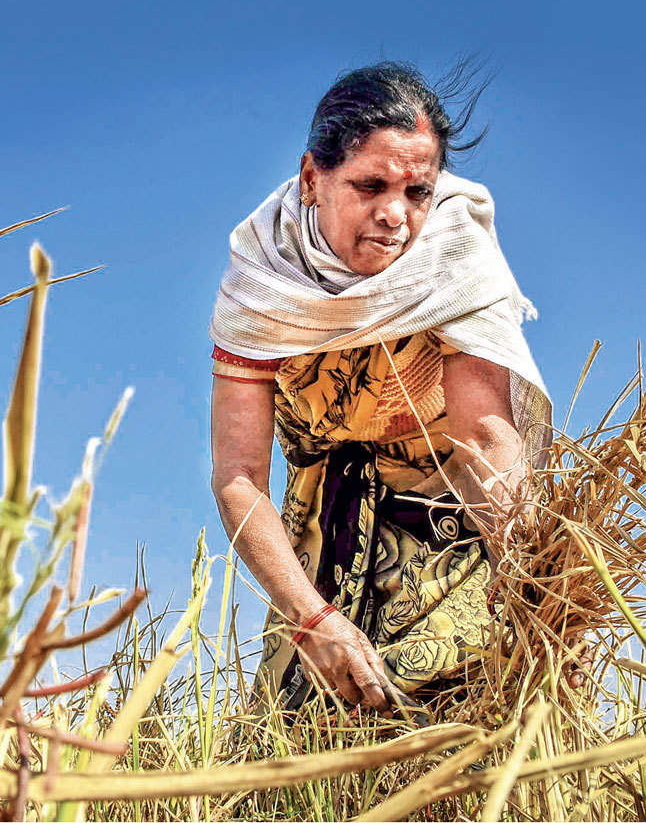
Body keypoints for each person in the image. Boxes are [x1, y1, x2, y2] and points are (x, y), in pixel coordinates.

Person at [209, 61, 553, 714]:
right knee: (298, 772)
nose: (396, 215)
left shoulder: (454, 254)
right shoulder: (262, 282)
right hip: (316, 552)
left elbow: (481, 434)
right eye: (369, 186)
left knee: (461, 746)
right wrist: (310, 619)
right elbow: (239, 474)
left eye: (417, 191)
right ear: (313, 178)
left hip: (447, 535)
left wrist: (529, 577)